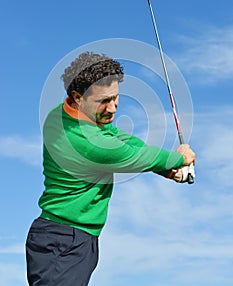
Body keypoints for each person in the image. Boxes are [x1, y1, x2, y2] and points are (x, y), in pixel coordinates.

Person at [26, 51, 196, 286]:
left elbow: (120, 138)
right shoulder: (86, 142)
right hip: (64, 241)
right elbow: (130, 154)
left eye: (116, 97)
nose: (113, 108)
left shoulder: (62, 113)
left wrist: (165, 169)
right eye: (104, 101)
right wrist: (178, 159)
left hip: (68, 238)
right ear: (78, 97)